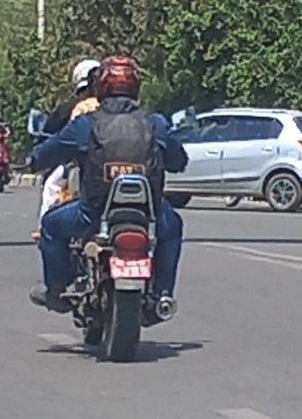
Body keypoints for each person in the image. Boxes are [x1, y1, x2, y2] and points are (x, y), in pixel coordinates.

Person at [28, 56, 187, 318]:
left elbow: (48, 152)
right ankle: (162, 293)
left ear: (100, 87)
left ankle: (57, 290)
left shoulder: (85, 124)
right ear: (136, 87)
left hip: (92, 215)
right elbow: (178, 160)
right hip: (149, 216)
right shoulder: (155, 123)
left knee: (51, 227)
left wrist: (32, 160)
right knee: (173, 228)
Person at [34, 58, 103, 237]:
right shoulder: (134, 114)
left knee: (51, 187)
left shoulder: (72, 110)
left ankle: (43, 229)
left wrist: (36, 158)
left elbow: (53, 138)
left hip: (80, 165)